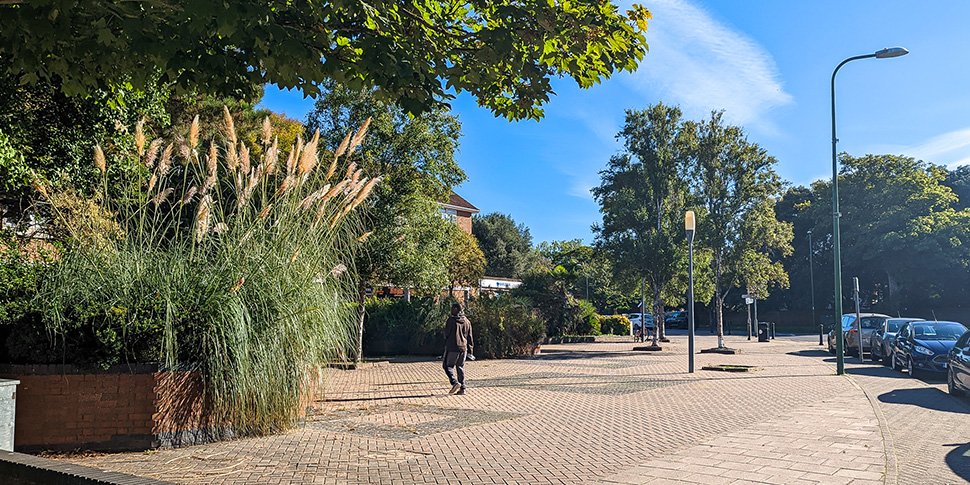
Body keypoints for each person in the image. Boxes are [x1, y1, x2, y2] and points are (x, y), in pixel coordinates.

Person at [442, 302, 474, 395]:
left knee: (447, 366)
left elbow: (446, 334)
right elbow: (470, 336)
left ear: (456, 309)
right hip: (463, 348)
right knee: (460, 367)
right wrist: (470, 351)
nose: (451, 310)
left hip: (452, 347)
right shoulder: (467, 321)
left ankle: (455, 382)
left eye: (452, 308)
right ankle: (463, 388)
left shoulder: (451, 321)